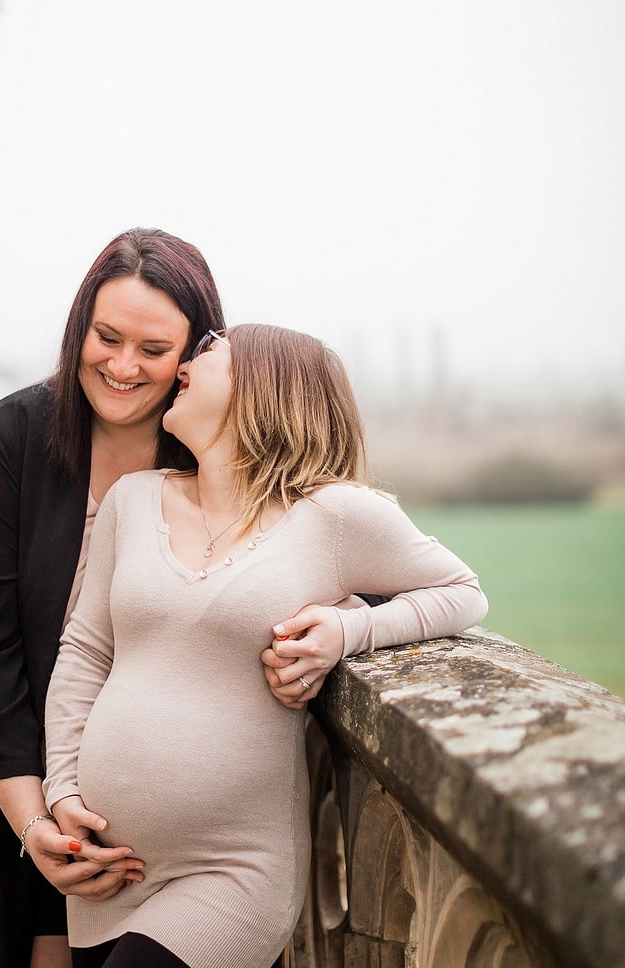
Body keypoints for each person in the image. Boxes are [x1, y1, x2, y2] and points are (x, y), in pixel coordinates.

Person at [42, 324, 489, 968]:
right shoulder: (132, 501)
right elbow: (85, 652)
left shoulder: (333, 516)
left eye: (208, 355)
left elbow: (460, 589)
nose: (187, 366)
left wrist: (348, 630)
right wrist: (62, 792)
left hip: (234, 870)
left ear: (263, 387)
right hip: (108, 871)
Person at [0, 228, 226, 968]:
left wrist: (341, 621)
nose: (123, 366)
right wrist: (38, 827)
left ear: (195, 356)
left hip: (186, 837)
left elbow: (315, 554)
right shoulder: (9, 441)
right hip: (29, 810)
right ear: (79, 329)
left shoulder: (219, 452)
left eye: (153, 350)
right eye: (107, 337)